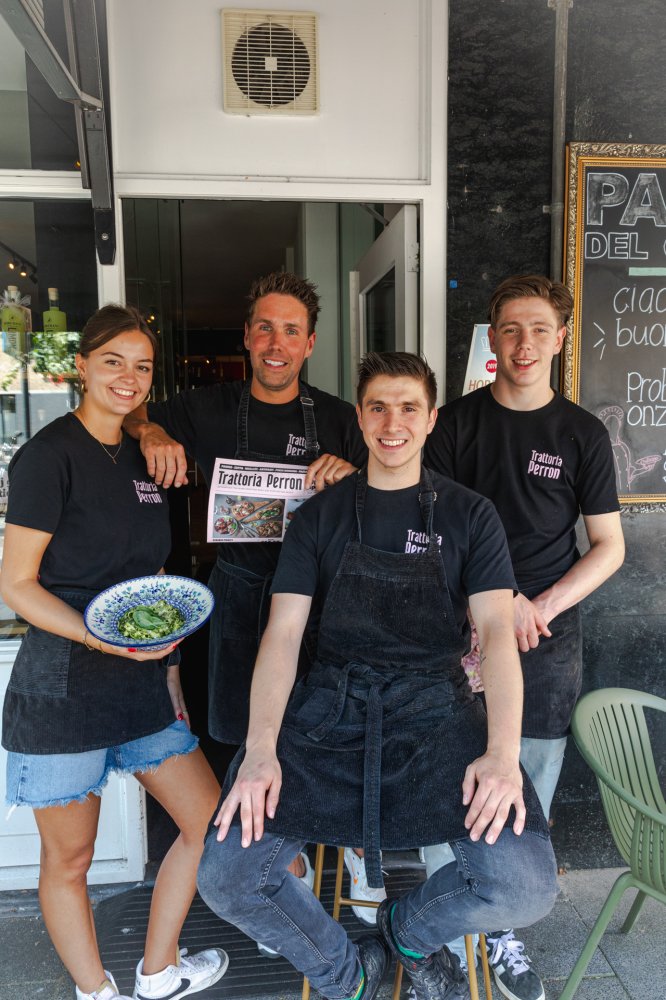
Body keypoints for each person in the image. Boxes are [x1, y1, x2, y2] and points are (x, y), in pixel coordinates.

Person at [196, 351, 558, 1000]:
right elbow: (282, 636)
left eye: (409, 408)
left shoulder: (471, 516)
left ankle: (407, 929)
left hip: (438, 714)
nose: (394, 423)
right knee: (227, 875)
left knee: (524, 886)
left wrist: (503, 756)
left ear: (431, 418)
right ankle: (347, 974)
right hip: (328, 714)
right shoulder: (317, 519)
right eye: (379, 408)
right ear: (360, 419)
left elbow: (498, 634)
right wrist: (259, 751)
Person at [123, 272, 370, 947]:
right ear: (246, 336)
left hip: (316, 603)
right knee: (241, 738)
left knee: (317, 732)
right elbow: (132, 414)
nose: (276, 343)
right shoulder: (204, 407)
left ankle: (341, 849)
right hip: (235, 595)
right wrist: (151, 432)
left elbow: (389, 486)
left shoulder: (340, 419)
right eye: (265, 327)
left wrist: (354, 475)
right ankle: (277, 877)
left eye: (291, 330)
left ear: (310, 343)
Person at [1, 305, 228, 1000]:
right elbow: (17, 585)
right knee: (71, 858)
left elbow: (148, 573)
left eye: (142, 367)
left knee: (207, 822)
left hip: (139, 681)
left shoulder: (144, 455)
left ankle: (158, 972)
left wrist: (168, 663)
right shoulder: (47, 456)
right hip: (64, 683)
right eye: (112, 362)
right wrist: (97, 637)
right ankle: (94, 991)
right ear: (80, 366)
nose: (128, 378)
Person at [424, 275, 625, 1000]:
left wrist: (538, 606)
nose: (525, 343)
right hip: (456, 627)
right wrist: (498, 599)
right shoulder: (454, 425)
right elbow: (431, 523)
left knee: (526, 781)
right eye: (511, 328)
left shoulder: (582, 433)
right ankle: (440, 932)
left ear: (561, 338)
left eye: (540, 328)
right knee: (445, 775)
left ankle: (501, 924)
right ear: (493, 338)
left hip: (546, 638)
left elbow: (609, 546)